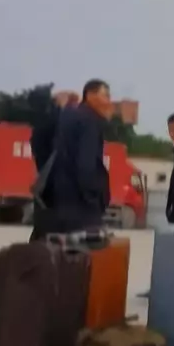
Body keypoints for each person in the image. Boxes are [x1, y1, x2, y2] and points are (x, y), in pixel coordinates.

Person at [32, 79, 112, 236]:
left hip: (51, 206)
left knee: (46, 250)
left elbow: (38, 142)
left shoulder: (64, 116)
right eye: (105, 96)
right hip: (80, 210)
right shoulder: (89, 121)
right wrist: (93, 199)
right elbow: (86, 166)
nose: (108, 101)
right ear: (90, 95)